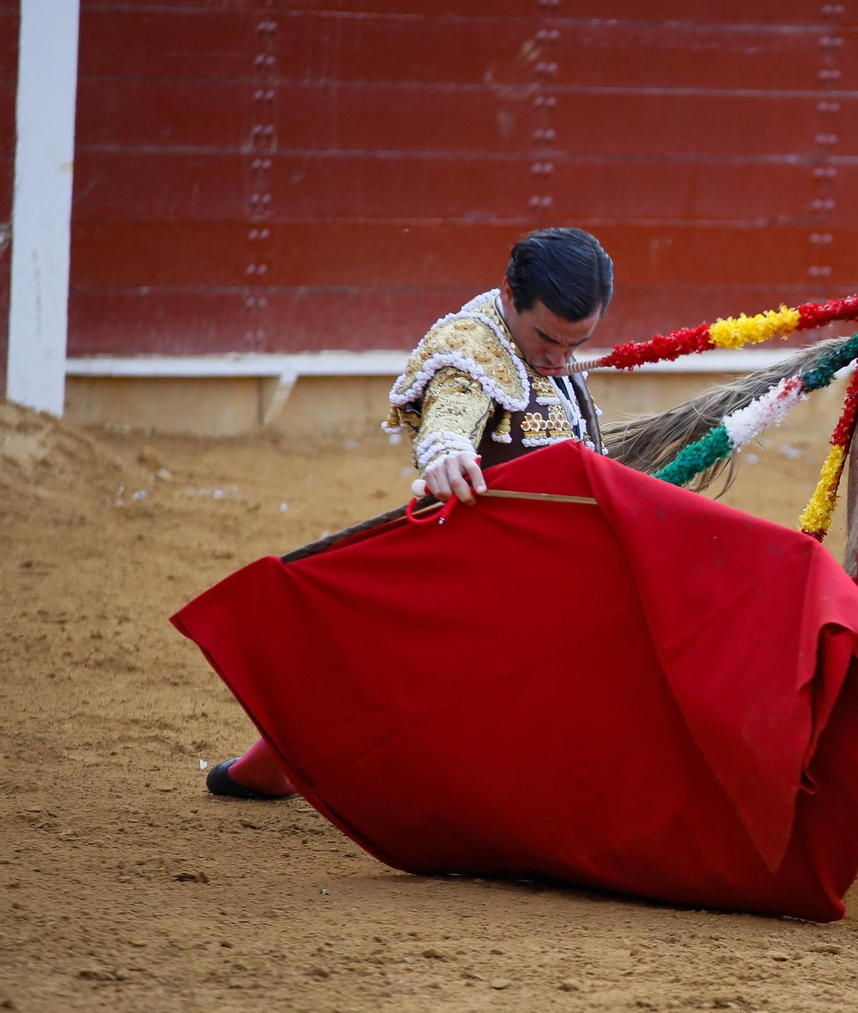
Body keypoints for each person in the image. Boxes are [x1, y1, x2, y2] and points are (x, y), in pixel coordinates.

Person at [205, 228, 615, 799]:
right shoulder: (471, 350)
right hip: (473, 565)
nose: (559, 358)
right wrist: (446, 454)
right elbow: (452, 412)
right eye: (548, 337)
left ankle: (272, 766)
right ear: (508, 293)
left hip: (542, 567)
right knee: (374, 661)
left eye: (577, 343)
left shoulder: (547, 355)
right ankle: (273, 765)